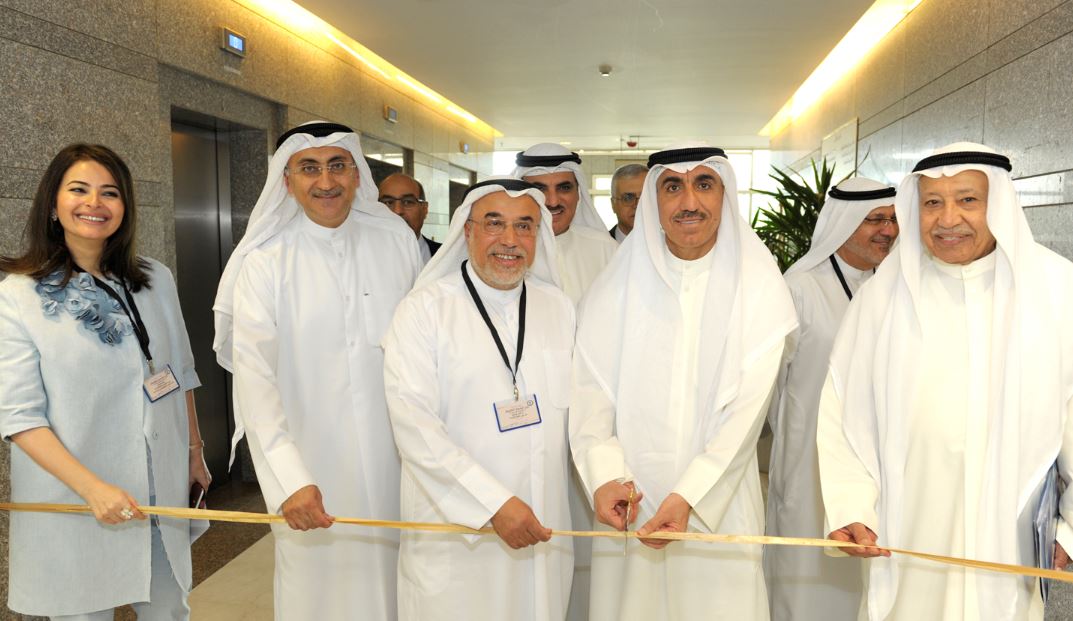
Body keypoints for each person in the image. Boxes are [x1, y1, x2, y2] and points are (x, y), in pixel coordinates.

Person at [818, 143, 1073, 621]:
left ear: (998, 204)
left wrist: (1069, 530)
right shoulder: (881, 299)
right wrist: (851, 507)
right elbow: (842, 414)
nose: (948, 219)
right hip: (907, 532)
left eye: (967, 200)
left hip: (1010, 540)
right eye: (932, 202)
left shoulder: (1058, 291)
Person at [571, 143, 797, 620]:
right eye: (673, 187)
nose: (689, 202)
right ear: (654, 200)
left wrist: (689, 495)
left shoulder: (759, 288)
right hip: (631, 502)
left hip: (719, 503)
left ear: (724, 194)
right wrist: (604, 476)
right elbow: (590, 393)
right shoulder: (616, 286)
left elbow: (746, 417)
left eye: (704, 184)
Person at [213, 122, 421, 620]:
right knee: (318, 591)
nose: (325, 181)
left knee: (401, 583)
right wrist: (289, 479)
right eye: (309, 168)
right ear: (287, 181)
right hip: (311, 462)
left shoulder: (395, 240)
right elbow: (256, 383)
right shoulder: (265, 260)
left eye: (337, 166)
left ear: (357, 174)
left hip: (398, 460)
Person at [0, 143, 208, 619]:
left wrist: (194, 451)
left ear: (125, 206)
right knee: (82, 612)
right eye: (79, 190)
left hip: (156, 489)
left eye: (110, 192)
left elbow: (180, 372)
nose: (95, 203)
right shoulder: (17, 295)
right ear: (53, 204)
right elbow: (19, 416)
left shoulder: (155, 278)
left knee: (169, 609)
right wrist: (93, 489)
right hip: (74, 494)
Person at [383, 178, 574, 621]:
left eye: (524, 226)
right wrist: (492, 502)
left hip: (541, 523)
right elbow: (414, 426)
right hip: (458, 530)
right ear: (467, 231)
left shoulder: (559, 307)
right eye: (494, 223)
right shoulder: (423, 310)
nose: (510, 240)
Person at [764, 177, 898, 621]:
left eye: (893, 219)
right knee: (806, 574)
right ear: (843, 223)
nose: (888, 230)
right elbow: (771, 385)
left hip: (880, 458)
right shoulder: (800, 287)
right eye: (875, 219)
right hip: (809, 461)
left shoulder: (896, 286)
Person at [513, 143, 619, 304]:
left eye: (564, 188)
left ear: (578, 194)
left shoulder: (606, 249)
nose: (553, 202)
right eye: (540, 189)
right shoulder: (505, 250)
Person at [379, 172, 441, 264]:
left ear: (424, 209)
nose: (397, 211)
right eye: (388, 202)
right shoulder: (362, 256)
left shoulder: (449, 257)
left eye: (407, 202)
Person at [609, 163, 647, 242]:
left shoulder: (670, 245)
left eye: (645, 197)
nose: (637, 205)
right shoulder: (600, 246)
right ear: (613, 205)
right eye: (628, 198)